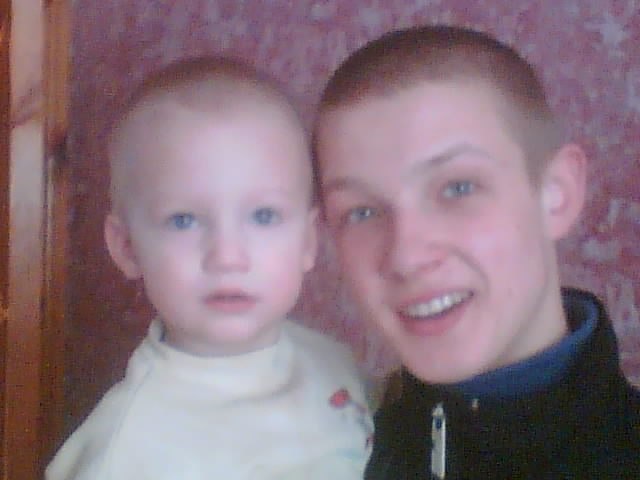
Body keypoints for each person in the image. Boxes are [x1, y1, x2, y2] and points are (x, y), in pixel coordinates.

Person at [313, 25, 640, 479]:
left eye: (458, 188)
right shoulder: (316, 455)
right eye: (361, 211)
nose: (406, 256)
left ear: (556, 195)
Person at [46, 56, 373, 480]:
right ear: (127, 247)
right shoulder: (125, 454)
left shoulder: (336, 364)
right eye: (184, 220)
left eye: (264, 216)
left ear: (308, 241)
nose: (227, 257)